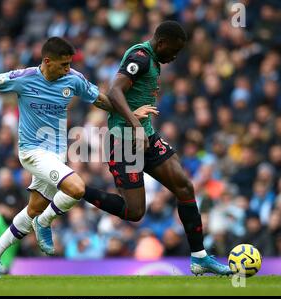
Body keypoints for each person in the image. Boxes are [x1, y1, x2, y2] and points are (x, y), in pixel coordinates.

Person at [0, 37, 156, 279]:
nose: (68, 69)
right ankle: (45, 223)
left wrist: (131, 113)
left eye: (69, 64)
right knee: (76, 188)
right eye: (63, 64)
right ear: (47, 61)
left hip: (56, 155)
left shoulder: (73, 79)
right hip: (32, 152)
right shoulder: (23, 78)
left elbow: (102, 101)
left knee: (34, 208)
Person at [80, 21, 232, 276]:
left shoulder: (154, 61)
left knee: (184, 186)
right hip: (123, 141)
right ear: (161, 43)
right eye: (173, 50)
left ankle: (199, 257)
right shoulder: (139, 57)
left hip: (147, 138)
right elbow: (114, 91)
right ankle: (78, 190)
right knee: (134, 212)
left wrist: (142, 129)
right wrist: (135, 125)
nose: (175, 56)